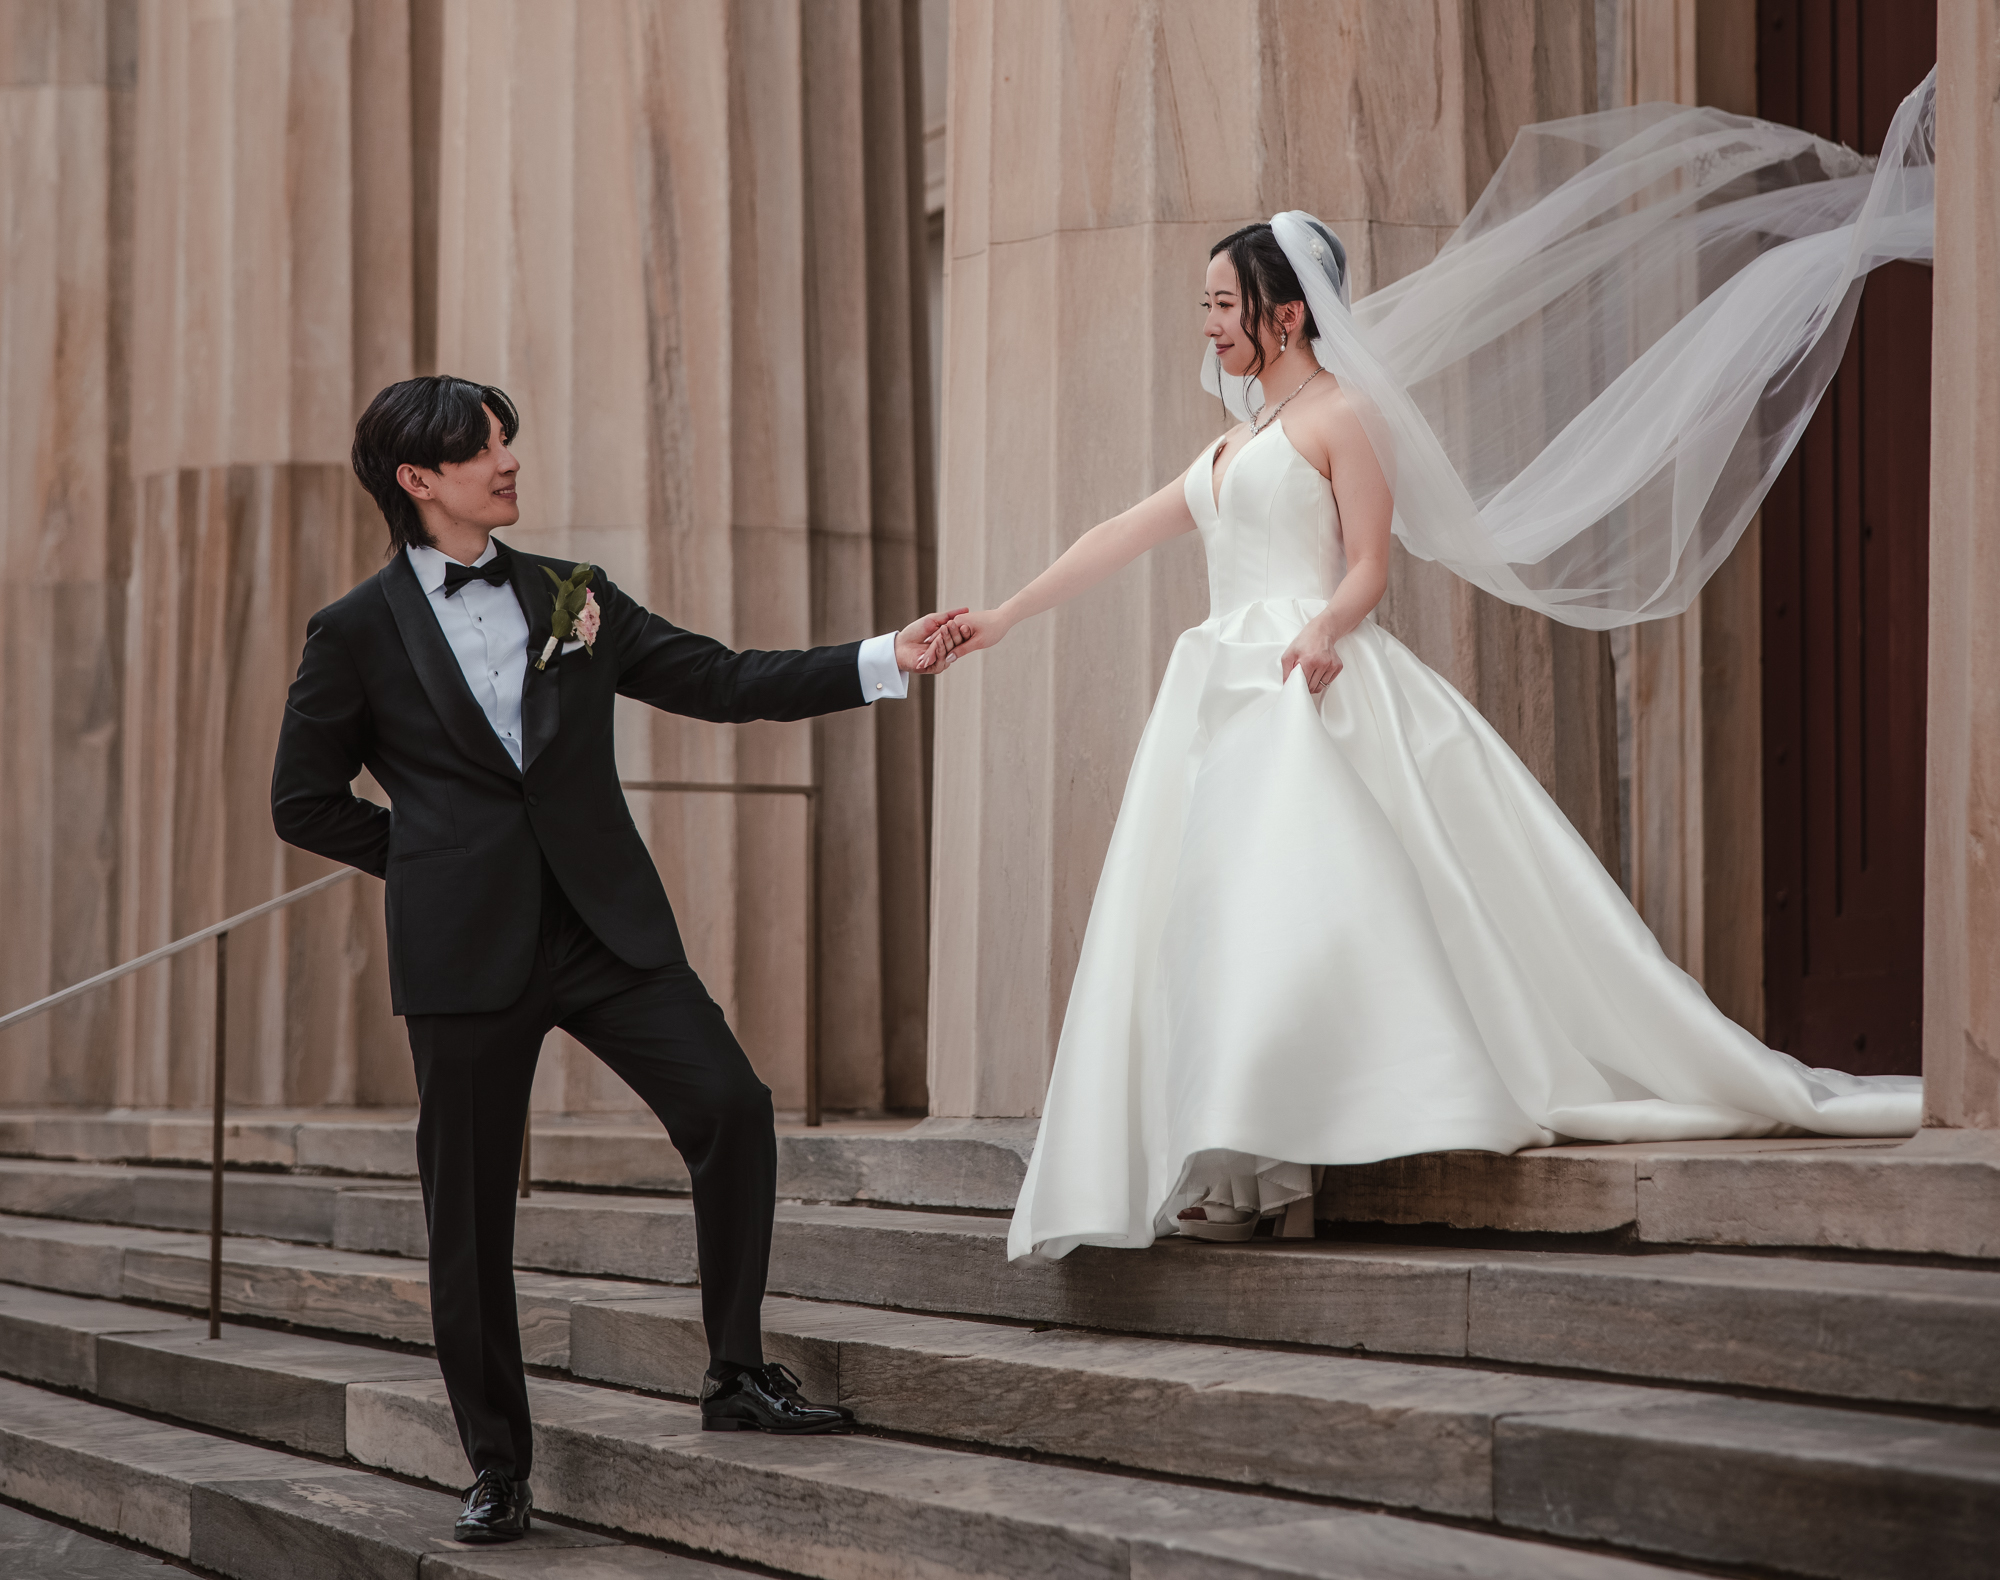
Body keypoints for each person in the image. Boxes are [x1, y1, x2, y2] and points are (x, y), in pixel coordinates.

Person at [924, 139, 1932, 1260]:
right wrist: (1004, 614)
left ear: (1287, 315)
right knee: (1216, 918)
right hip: (1220, 685)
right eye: (1204, 304)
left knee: (1289, 913)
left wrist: (1323, 627)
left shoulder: (1338, 418)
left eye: (1222, 303)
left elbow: (1366, 564)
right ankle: (1236, 1161)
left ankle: (1280, 1158)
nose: (1206, 323)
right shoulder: (1231, 443)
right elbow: (1120, 531)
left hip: (1306, 681)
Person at [272, 375, 961, 1544]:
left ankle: (735, 1370)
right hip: (464, 952)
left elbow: (720, 677)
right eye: (484, 447)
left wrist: (880, 656)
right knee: (470, 1216)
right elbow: (302, 800)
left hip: (604, 930)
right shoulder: (351, 631)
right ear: (417, 479)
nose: (509, 460)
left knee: (731, 1105)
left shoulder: (570, 596)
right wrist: (435, 859)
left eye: (507, 440)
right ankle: (496, 1462)